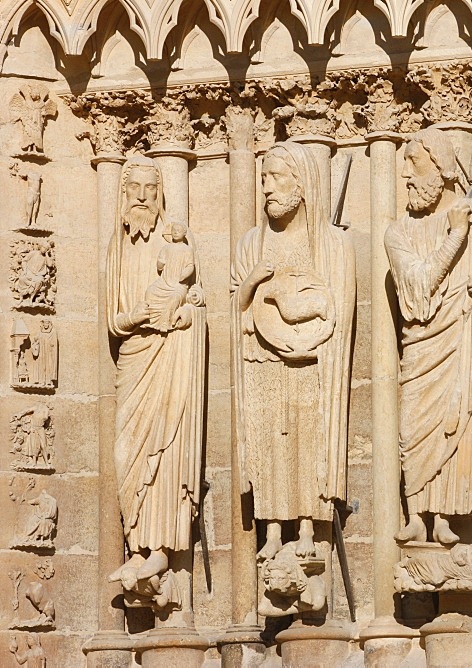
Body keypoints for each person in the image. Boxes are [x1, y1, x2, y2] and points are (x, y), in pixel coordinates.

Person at [386, 129, 472, 545]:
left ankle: (447, 514)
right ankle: (415, 511)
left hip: (467, 343)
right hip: (424, 345)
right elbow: (417, 291)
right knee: (414, 425)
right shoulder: (399, 233)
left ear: (442, 168)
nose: (406, 175)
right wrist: (456, 236)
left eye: (414, 163)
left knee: (459, 416)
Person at [232, 141, 355, 560]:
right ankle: (271, 529)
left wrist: (308, 339)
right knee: (268, 442)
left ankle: (307, 528)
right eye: (263, 178)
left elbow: (337, 311)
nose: (266, 187)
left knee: (308, 440)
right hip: (260, 360)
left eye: (276, 177)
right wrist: (251, 283)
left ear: (301, 185)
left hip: (311, 363)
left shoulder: (331, 245)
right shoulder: (252, 244)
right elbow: (238, 306)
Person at [106, 156, 206, 584]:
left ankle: (161, 547)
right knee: (127, 455)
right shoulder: (118, 249)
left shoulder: (177, 246)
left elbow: (195, 303)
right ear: (123, 194)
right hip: (135, 357)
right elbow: (115, 319)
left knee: (166, 449)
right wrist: (143, 317)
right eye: (135, 189)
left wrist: (185, 316)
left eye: (152, 189)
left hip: (169, 358)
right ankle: (135, 544)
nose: (143, 198)